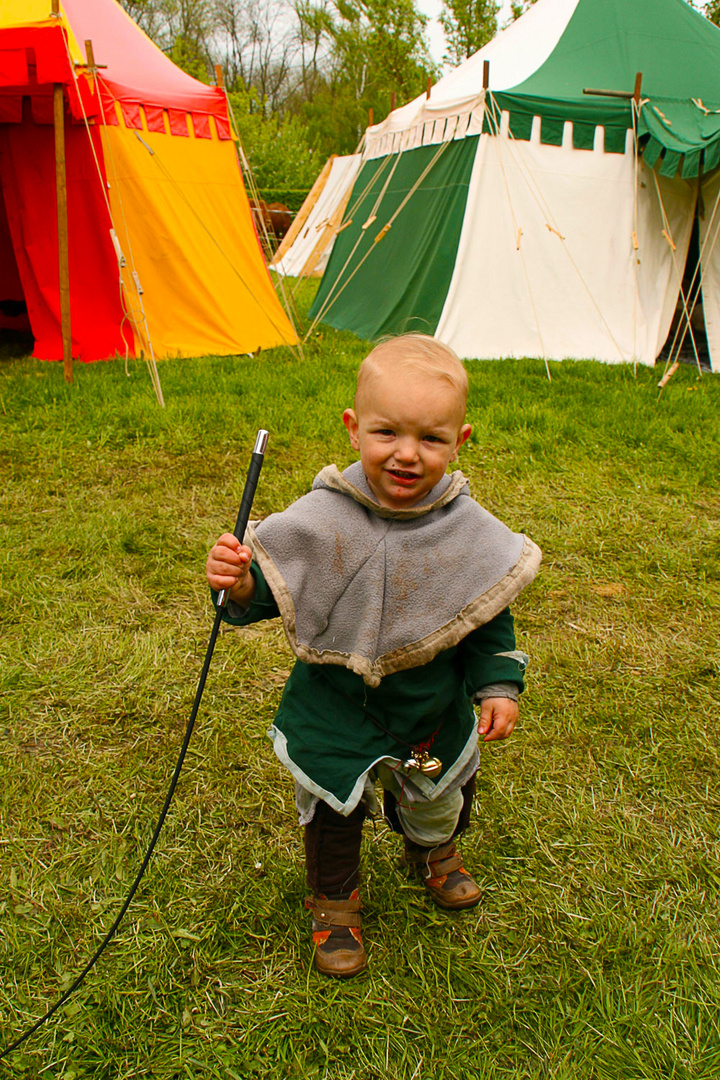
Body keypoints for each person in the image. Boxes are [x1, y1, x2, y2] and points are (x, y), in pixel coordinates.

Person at [206, 334, 541, 979]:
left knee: (442, 793)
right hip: (337, 706)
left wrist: (498, 685)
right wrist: (240, 581)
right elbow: (266, 595)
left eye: (432, 440)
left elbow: (486, 618)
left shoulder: (468, 531)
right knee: (334, 809)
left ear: (460, 441)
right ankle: (335, 900)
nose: (408, 455)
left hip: (429, 707)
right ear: (354, 429)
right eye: (387, 433)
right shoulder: (322, 516)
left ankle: (432, 848)